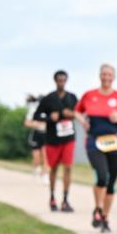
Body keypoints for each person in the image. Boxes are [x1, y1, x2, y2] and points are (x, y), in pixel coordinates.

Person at [75, 64, 117, 233]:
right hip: (95, 141)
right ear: (99, 75)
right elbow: (77, 111)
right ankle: (98, 207)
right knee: (101, 176)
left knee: (111, 183)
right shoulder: (89, 95)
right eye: (104, 74)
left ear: (114, 77)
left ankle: (105, 218)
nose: (106, 77)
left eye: (109, 74)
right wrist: (83, 121)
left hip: (115, 142)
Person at [35, 71, 79, 212]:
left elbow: (79, 114)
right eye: (59, 80)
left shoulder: (72, 97)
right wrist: (49, 118)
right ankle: (52, 197)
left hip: (69, 137)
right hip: (53, 138)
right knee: (53, 168)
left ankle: (65, 200)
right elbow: (37, 115)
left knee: (68, 167)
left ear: (66, 81)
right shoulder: (48, 98)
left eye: (64, 80)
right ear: (55, 81)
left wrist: (71, 114)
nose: (61, 82)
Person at [24, 94, 48, 182]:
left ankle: (45, 175)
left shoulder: (48, 110)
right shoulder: (33, 110)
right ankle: (36, 167)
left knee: (46, 156)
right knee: (36, 157)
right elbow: (26, 123)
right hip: (36, 134)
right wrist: (37, 124)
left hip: (46, 135)